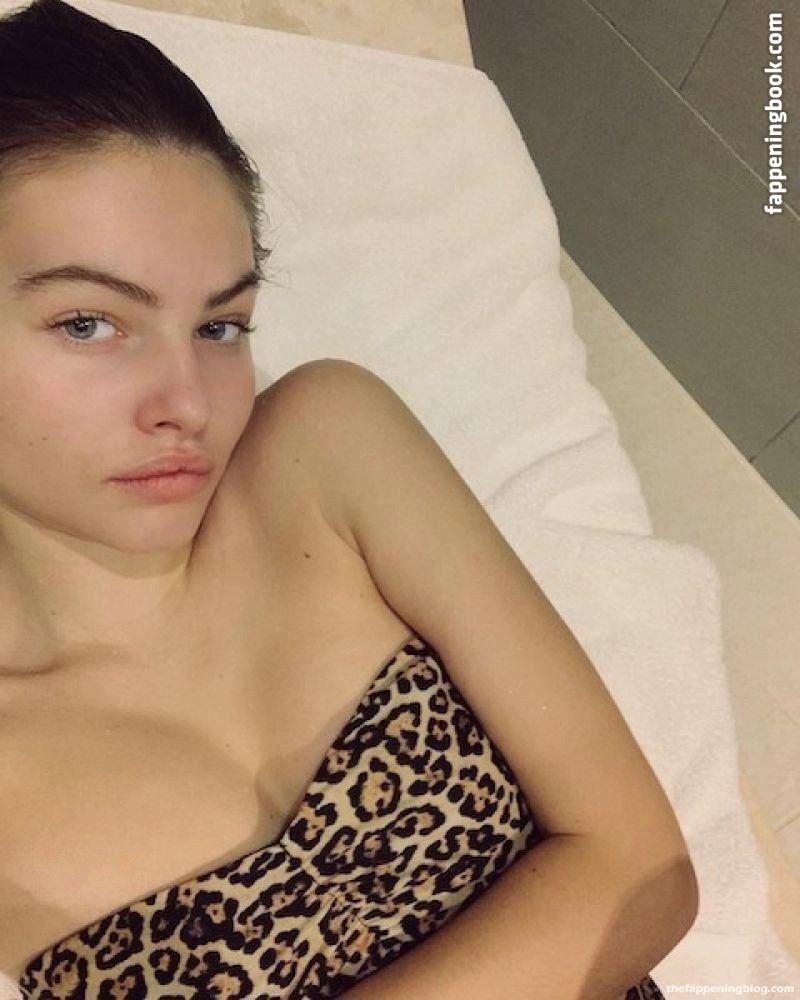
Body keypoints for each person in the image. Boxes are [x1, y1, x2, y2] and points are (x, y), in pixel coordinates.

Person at [0, 1, 697, 996]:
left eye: (221, 326)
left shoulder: (324, 452)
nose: (187, 404)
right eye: (88, 323)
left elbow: (646, 873)